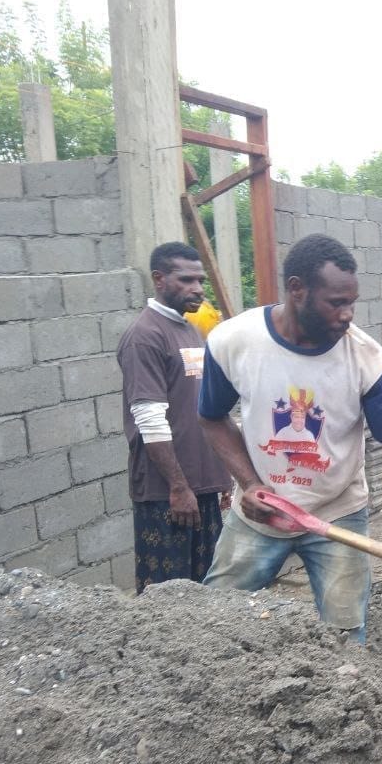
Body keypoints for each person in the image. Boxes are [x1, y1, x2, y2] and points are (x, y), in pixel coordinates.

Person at [197, 233, 382, 642]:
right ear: (297, 289)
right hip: (261, 513)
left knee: (345, 635)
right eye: (336, 303)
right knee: (214, 621)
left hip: (338, 511)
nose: (347, 315)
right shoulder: (234, 343)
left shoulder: (368, 362)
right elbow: (212, 418)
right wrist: (250, 484)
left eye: (351, 303)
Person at [117, 242, 232, 593]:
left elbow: (205, 410)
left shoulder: (190, 330)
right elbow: (149, 419)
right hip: (167, 494)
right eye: (186, 280)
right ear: (159, 279)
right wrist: (179, 488)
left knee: (205, 590)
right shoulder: (145, 336)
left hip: (202, 489)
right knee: (166, 599)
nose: (197, 288)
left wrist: (221, 475)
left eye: (200, 280)